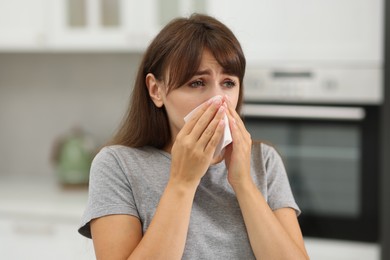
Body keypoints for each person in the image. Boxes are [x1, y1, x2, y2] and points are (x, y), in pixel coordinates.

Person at [78, 13, 309, 260]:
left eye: (228, 83)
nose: (217, 99)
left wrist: (243, 182)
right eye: (198, 82)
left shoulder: (264, 161)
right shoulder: (117, 165)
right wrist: (182, 182)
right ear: (156, 90)